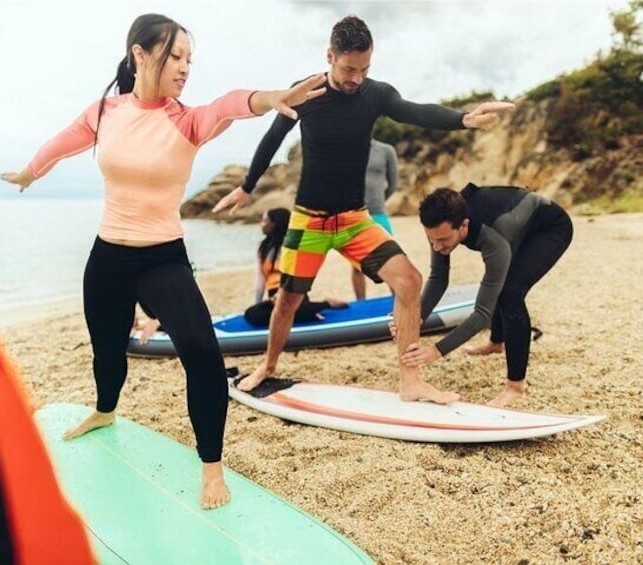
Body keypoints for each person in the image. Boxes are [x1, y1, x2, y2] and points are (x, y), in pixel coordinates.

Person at [0, 13, 327, 509]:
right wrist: (28, 173)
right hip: (107, 256)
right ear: (140, 54)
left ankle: (212, 468)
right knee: (107, 352)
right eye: (176, 55)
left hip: (161, 259)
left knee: (202, 355)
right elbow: (61, 145)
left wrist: (271, 98)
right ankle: (105, 411)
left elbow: (230, 104)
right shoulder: (105, 111)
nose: (185, 67)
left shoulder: (188, 120)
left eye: (190, 59)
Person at [213, 15, 515, 403]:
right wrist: (246, 185)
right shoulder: (306, 92)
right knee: (287, 300)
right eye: (349, 68)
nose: (356, 78)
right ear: (330, 55)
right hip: (309, 219)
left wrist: (463, 119)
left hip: (355, 219)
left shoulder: (376, 94)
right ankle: (268, 366)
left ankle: (410, 380)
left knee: (408, 281)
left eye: (364, 69)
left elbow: (416, 111)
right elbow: (274, 137)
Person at [401, 184, 573, 408]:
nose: (436, 245)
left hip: (550, 228)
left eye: (442, 240)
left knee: (510, 293)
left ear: (464, 225)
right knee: (502, 288)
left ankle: (516, 386)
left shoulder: (494, 237)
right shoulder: (440, 225)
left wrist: (437, 350)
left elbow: (482, 314)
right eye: (431, 239)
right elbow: (438, 278)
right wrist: (416, 318)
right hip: (514, 222)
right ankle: (496, 343)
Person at [245, 208, 348, 327]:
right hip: (273, 298)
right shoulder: (262, 248)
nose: (261, 225)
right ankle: (315, 309)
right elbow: (260, 279)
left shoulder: (292, 246)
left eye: (264, 221)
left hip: (293, 293)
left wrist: (281, 293)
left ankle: (325, 305)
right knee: (251, 314)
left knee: (291, 311)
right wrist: (258, 304)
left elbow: (298, 274)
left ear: (275, 224)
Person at [351, 138, 399, 300]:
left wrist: (379, 201)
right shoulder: (346, 148)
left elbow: (393, 184)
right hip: (354, 215)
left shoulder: (386, 150)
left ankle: (397, 300)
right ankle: (361, 303)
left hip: (378, 214)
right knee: (356, 265)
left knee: (390, 260)